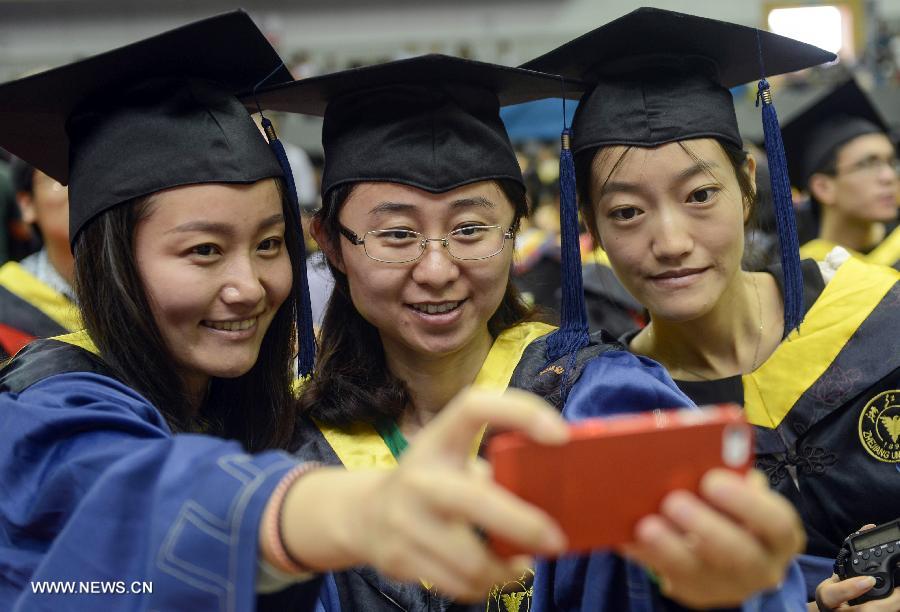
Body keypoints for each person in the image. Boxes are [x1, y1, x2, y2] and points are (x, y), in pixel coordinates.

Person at [0, 13, 575, 610]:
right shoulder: (48, 409)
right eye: (204, 251)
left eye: (270, 244)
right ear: (112, 261)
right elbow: (130, 495)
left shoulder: (247, 406)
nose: (249, 286)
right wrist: (340, 511)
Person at [250, 53, 807, 611]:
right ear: (330, 242)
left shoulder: (603, 402)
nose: (438, 270)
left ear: (516, 228)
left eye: (471, 229)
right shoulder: (295, 449)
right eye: (396, 234)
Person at [523, 6, 900, 607]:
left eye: (700, 195)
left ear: (748, 183)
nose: (671, 242)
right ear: (587, 224)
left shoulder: (881, 313)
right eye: (626, 212)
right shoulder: (616, 412)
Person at [780, 78, 899, 270]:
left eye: (891, 163)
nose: (889, 177)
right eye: (869, 163)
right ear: (823, 187)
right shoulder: (806, 277)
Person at [0, 156, 79, 359]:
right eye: (63, 177)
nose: (84, 185)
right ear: (27, 205)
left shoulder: (153, 284)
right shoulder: (7, 303)